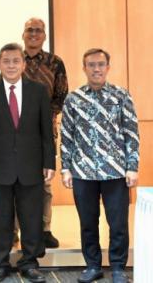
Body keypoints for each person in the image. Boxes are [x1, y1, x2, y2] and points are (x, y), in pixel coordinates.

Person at [0, 43, 54, 283]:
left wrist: (49, 162)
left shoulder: (39, 91)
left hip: (32, 165)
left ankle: (29, 262)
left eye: (15, 61)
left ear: (23, 64)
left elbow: (46, 131)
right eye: (6, 61)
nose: (11, 65)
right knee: (0, 218)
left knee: (31, 217)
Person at [60, 48, 139, 283]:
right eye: (91, 65)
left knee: (117, 223)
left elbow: (131, 133)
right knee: (88, 221)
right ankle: (93, 265)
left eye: (101, 64)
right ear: (84, 68)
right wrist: (66, 168)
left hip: (115, 171)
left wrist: (132, 166)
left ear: (108, 67)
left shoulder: (121, 96)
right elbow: (66, 135)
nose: (96, 69)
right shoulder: (73, 99)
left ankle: (118, 267)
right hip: (83, 172)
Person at [22, 17, 68, 249]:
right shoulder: (14, 59)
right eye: (30, 30)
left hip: (44, 131)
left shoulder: (55, 63)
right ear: (23, 34)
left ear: (44, 35)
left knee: (45, 182)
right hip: (15, 132)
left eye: (38, 30)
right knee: (15, 181)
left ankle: (44, 229)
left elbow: (61, 96)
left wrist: (40, 116)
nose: (33, 34)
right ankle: (14, 230)